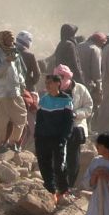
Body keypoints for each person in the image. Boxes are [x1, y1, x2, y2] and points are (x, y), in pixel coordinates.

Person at [32, 66, 80, 203]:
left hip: (58, 138)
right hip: (43, 138)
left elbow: (69, 122)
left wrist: (64, 138)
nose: (47, 86)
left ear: (58, 83)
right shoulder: (44, 100)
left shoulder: (66, 100)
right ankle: (51, 190)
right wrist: (37, 136)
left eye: (50, 83)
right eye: (46, 83)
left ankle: (63, 190)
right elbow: (39, 120)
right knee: (44, 164)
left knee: (59, 166)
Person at [0, 28, 29, 152]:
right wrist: (6, 62)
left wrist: (22, 86)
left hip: (15, 91)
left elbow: (20, 71)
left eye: (12, 39)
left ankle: (11, 142)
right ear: (3, 40)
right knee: (4, 119)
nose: (11, 42)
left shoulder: (14, 52)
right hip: (2, 93)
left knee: (19, 117)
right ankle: (3, 144)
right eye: (8, 40)